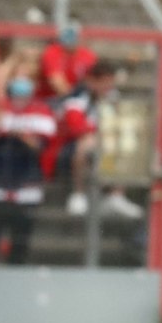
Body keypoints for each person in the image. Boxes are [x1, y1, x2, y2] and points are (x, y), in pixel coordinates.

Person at [0, 74, 57, 264]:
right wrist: (0, 128)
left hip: (26, 189)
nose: (19, 101)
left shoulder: (41, 112)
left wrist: (21, 134)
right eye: (16, 95)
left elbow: (40, 146)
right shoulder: (0, 111)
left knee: (19, 247)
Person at [52, 59, 143, 220]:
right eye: (104, 83)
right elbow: (77, 128)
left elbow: (121, 123)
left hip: (104, 145)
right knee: (86, 142)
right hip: (69, 149)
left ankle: (117, 194)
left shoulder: (113, 98)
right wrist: (103, 131)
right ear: (92, 81)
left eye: (110, 83)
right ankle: (78, 194)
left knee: (125, 141)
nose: (108, 87)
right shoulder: (77, 98)